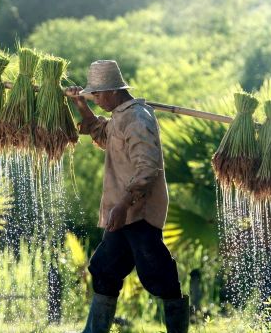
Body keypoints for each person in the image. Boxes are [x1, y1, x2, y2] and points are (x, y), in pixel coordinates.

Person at [66, 60, 189, 333]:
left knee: (158, 275)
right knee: (103, 271)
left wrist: (122, 205)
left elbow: (148, 168)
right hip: (122, 215)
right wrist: (81, 106)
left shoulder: (137, 118)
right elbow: (101, 135)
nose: (95, 99)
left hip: (138, 212)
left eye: (96, 94)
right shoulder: (121, 115)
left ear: (113, 91)